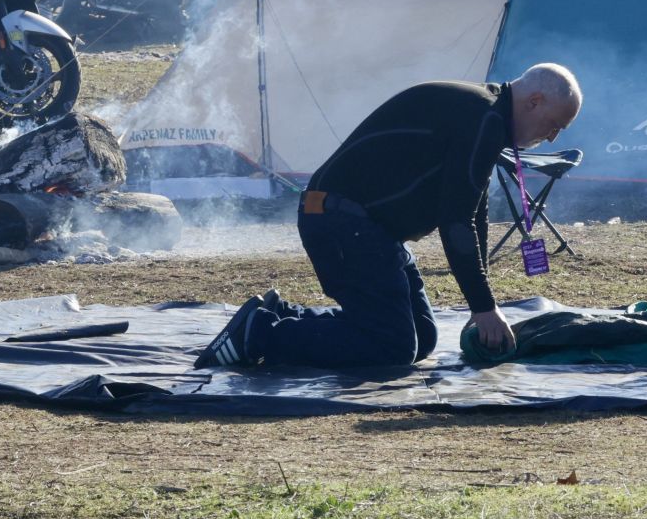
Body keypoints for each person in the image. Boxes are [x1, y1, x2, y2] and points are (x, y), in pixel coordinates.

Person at [196, 65, 583, 370]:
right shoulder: (484, 118)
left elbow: (474, 210)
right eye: (555, 126)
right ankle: (260, 333)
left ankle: (286, 315)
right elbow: (455, 222)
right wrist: (483, 308)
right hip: (339, 222)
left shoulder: (487, 115)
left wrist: (479, 306)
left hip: (369, 230)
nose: (551, 139)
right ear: (533, 101)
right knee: (394, 346)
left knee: (422, 338)